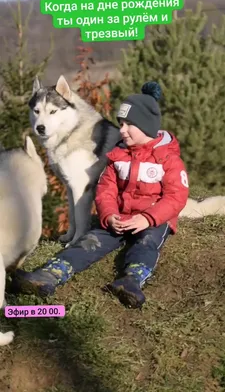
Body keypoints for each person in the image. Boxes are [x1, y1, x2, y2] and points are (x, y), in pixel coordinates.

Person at [12, 81, 189, 309]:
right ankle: (48, 275)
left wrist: (147, 218)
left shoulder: (168, 159)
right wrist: (109, 214)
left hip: (153, 220)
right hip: (119, 217)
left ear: (146, 126)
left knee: (146, 244)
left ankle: (131, 280)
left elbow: (176, 197)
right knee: (89, 242)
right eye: (121, 124)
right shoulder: (118, 155)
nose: (121, 130)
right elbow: (106, 189)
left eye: (129, 125)